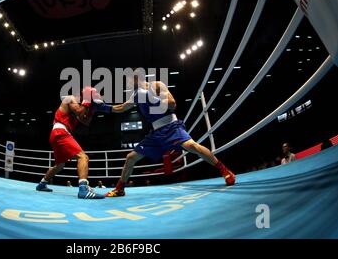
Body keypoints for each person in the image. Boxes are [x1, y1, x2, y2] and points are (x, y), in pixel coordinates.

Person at [91, 74, 236, 197]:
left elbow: (172, 104)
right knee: (131, 157)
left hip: (171, 127)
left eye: (130, 82)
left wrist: (153, 99)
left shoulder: (157, 85)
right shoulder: (136, 95)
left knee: (192, 146)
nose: (129, 86)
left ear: (138, 79)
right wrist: (102, 107)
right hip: (156, 133)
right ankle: (120, 189)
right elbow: (120, 108)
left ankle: (224, 170)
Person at [36, 87, 105, 199]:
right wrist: (87, 100)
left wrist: (92, 109)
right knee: (83, 157)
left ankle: (42, 184)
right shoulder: (69, 98)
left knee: (60, 165)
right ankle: (83, 189)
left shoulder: (80, 107)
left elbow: (86, 122)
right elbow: (79, 111)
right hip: (60, 132)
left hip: (58, 133)